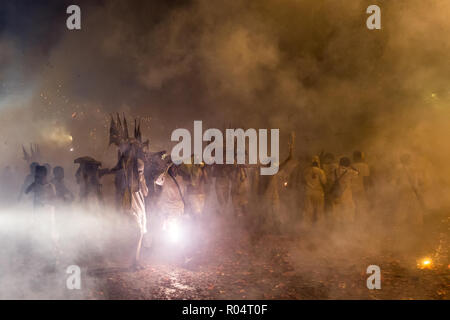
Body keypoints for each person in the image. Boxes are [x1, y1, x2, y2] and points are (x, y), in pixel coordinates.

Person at [25, 165, 58, 269]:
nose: (37, 176)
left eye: (39, 174)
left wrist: (46, 202)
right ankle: (40, 259)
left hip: (48, 216)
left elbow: (54, 199)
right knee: (38, 236)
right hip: (37, 215)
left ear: (44, 174)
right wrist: (34, 184)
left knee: (49, 237)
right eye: (36, 174)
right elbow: (26, 192)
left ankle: (51, 260)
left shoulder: (50, 186)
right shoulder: (35, 185)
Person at [331, 157, 359, 227]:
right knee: (350, 209)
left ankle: (337, 226)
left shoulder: (335, 171)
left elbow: (332, 180)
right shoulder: (350, 172)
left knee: (337, 210)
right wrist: (352, 167)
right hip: (346, 193)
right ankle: (348, 226)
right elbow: (358, 174)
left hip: (337, 193)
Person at [302, 156, 327, 227]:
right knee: (319, 210)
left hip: (308, 192)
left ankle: (306, 226)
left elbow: (304, 181)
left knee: (308, 210)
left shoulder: (306, 171)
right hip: (318, 193)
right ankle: (320, 227)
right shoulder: (321, 171)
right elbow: (324, 182)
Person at [351, 151, 371, 220]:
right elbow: (366, 179)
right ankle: (361, 220)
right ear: (361, 157)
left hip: (351, 189)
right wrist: (367, 190)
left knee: (353, 206)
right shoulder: (365, 166)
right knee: (361, 205)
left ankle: (355, 219)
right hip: (361, 189)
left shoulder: (351, 166)